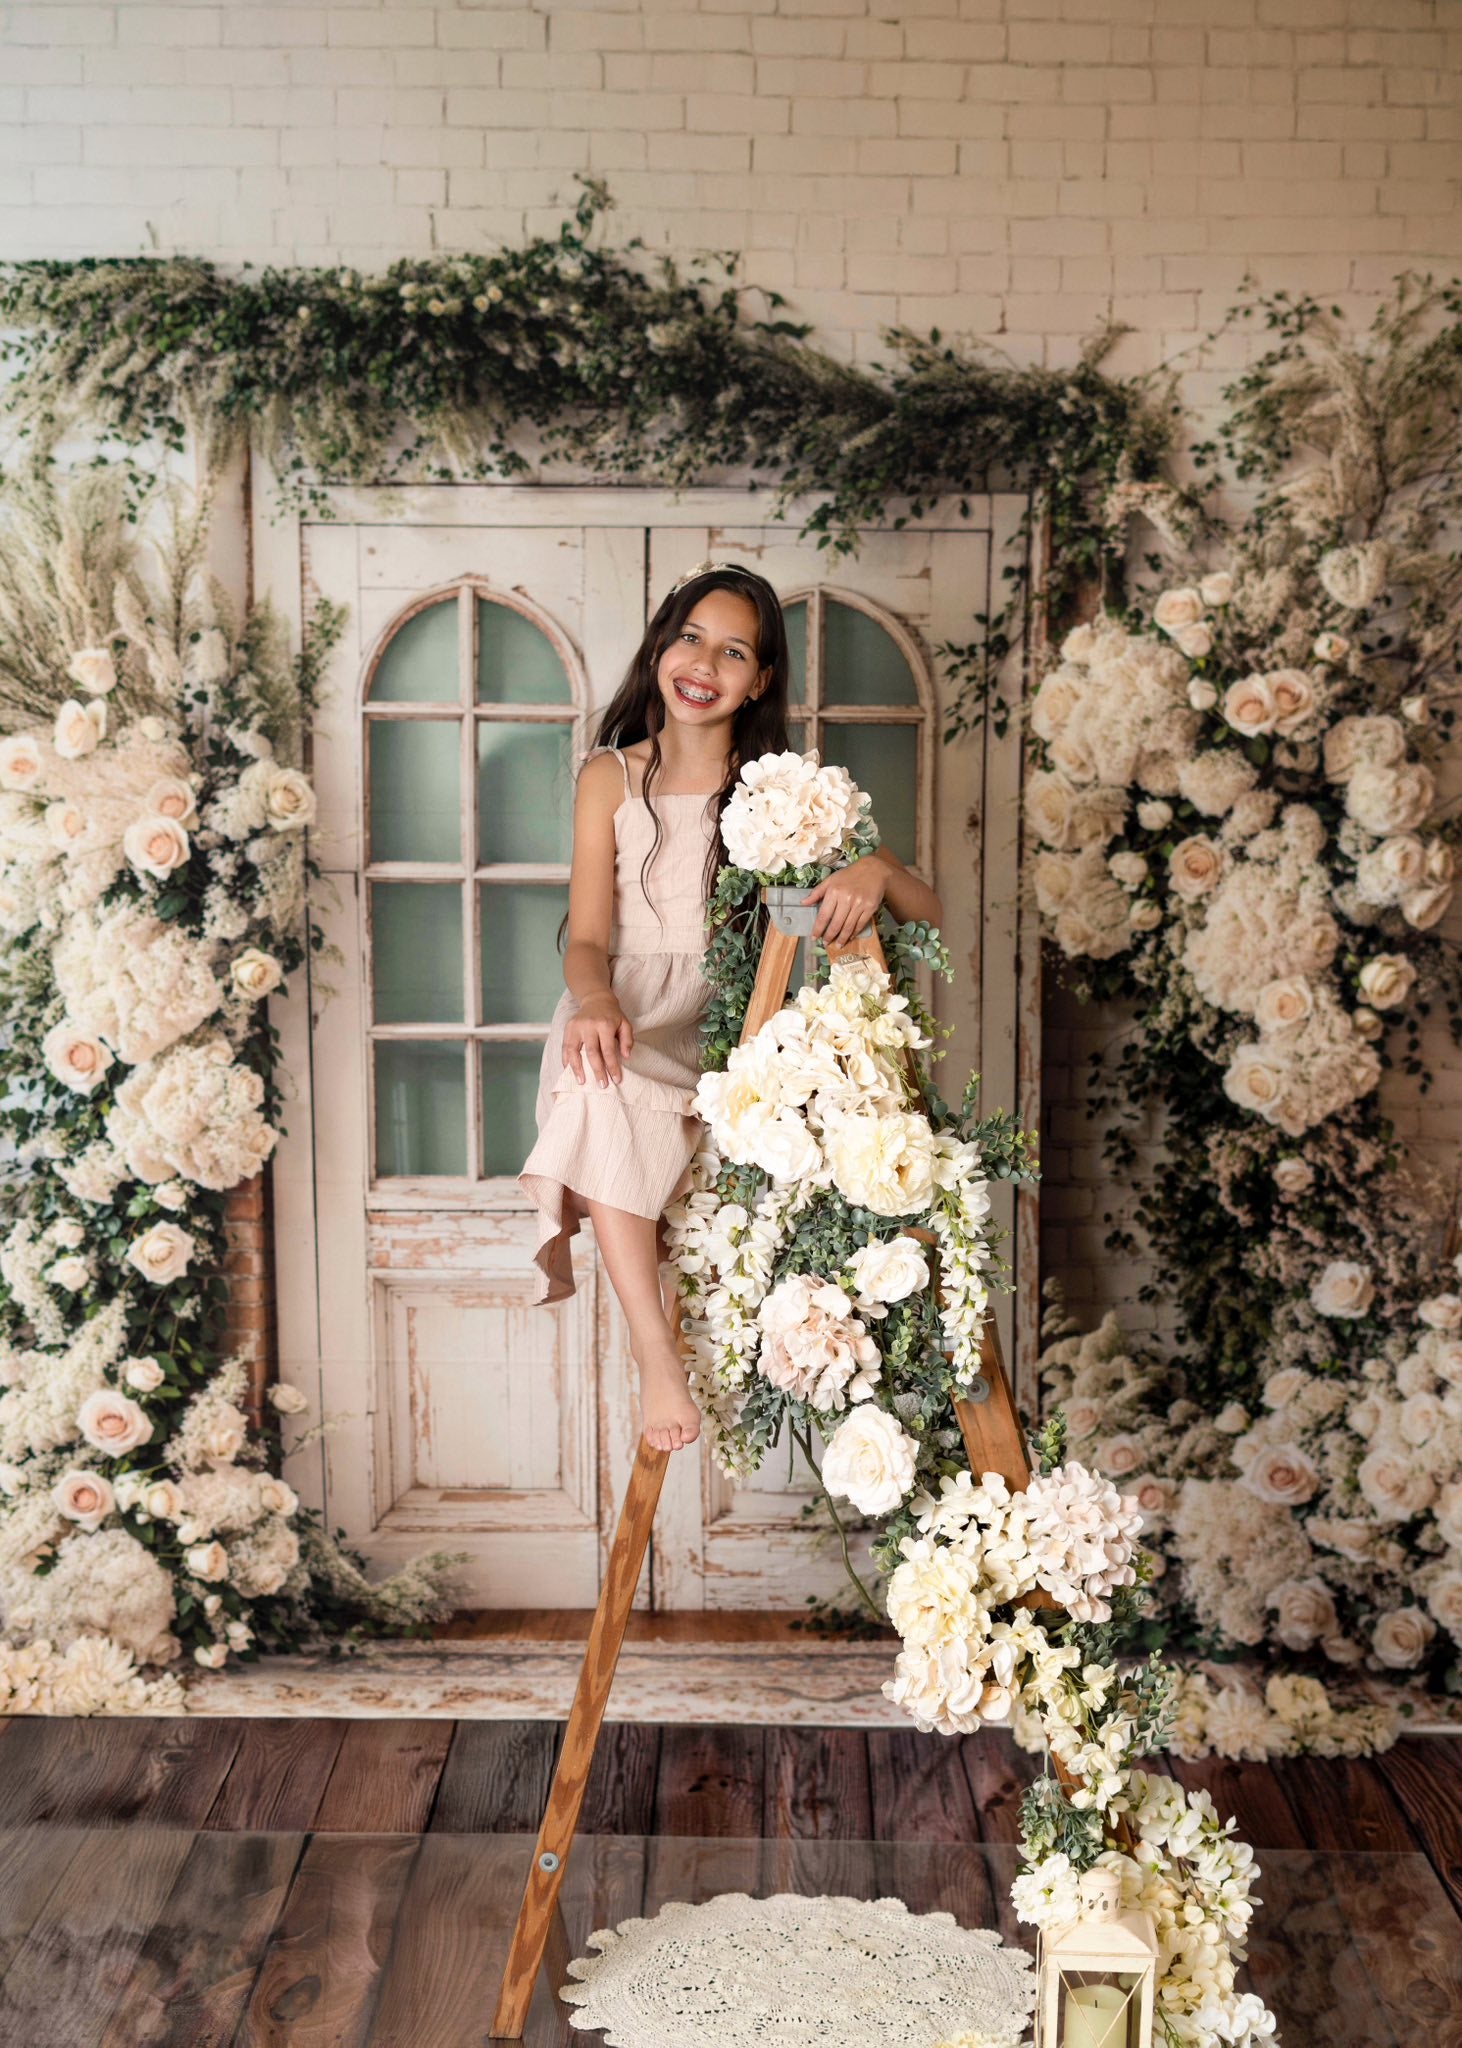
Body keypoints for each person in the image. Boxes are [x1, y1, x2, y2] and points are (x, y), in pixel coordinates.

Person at [518, 560, 942, 1454]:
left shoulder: (780, 790)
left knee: (718, 1107)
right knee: (593, 1076)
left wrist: (872, 870)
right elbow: (587, 938)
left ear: (761, 680)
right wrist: (594, 997)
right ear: (661, 648)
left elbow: (925, 908)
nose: (704, 662)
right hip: (627, 1004)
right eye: (689, 637)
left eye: (734, 650)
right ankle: (653, 1351)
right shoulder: (610, 778)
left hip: (730, 1023)